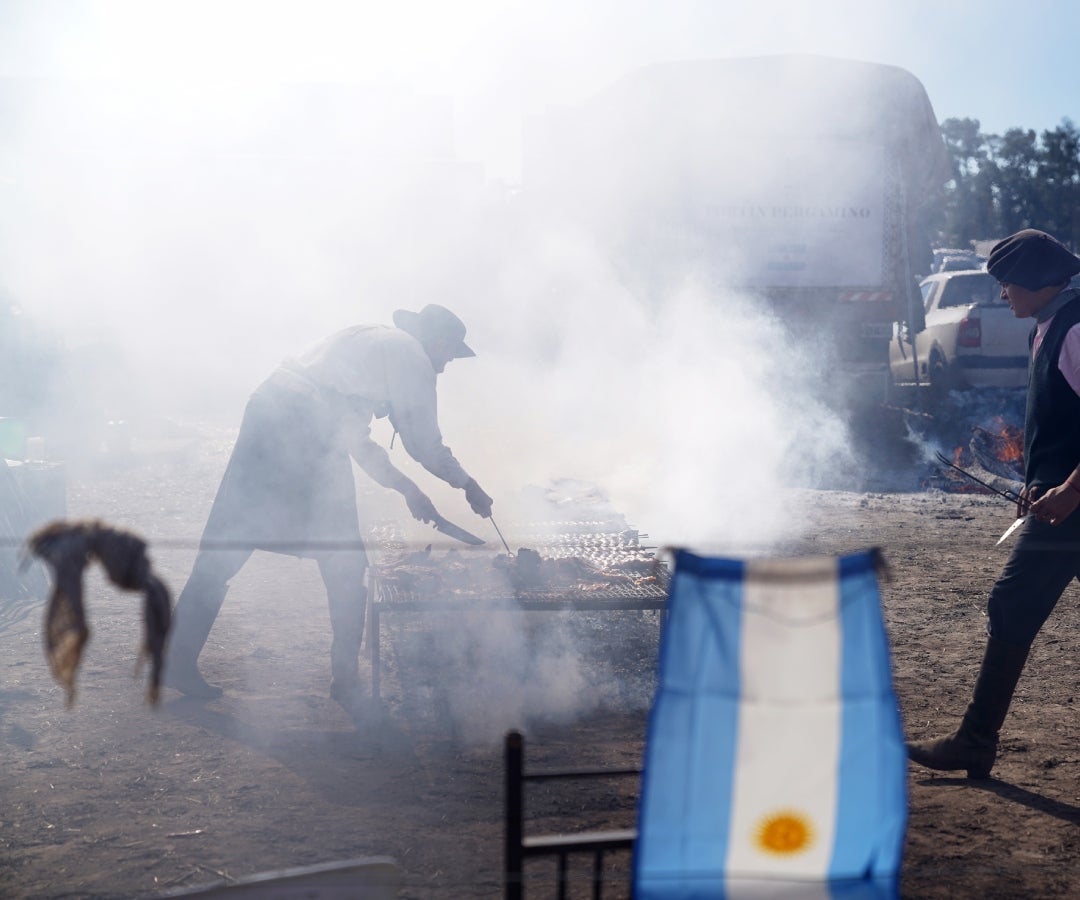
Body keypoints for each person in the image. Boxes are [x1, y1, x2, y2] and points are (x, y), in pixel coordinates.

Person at [163, 304, 494, 707]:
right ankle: (346, 683)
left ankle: (177, 659)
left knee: (230, 538)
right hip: (306, 427)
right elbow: (424, 444)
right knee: (344, 560)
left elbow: (354, 440)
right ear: (438, 341)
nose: (444, 366)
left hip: (269, 408)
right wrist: (468, 484)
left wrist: (406, 488)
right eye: (448, 355)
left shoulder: (369, 341)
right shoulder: (412, 355)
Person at [908, 229, 1080, 778]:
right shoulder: (1050, 326)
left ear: (1033, 282)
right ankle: (975, 741)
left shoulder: (1075, 329)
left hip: (1073, 508)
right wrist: (1036, 481)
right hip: (1059, 503)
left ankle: (975, 742)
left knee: (1010, 604)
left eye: (1007, 283)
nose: (1003, 294)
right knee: (1012, 606)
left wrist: (1070, 489)